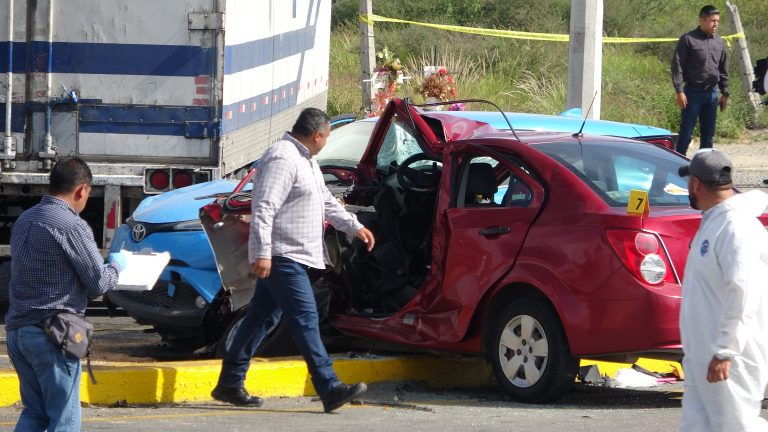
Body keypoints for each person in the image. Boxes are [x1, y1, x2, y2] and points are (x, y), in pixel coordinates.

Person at [211, 108, 376, 413]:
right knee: (305, 317)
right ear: (318, 135)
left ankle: (230, 383)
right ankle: (329, 386)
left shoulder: (306, 161)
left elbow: (326, 201)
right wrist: (261, 252)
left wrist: (355, 226)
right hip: (281, 254)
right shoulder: (282, 157)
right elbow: (264, 207)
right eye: (327, 136)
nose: (326, 141)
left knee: (263, 317)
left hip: (294, 255)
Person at [5, 157, 126, 431]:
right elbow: (98, 284)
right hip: (53, 335)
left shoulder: (25, 219)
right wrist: (118, 266)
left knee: (35, 413)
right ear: (81, 190)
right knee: (65, 420)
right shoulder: (72, 226)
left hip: (18, 333)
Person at [677, 149, 768, 431]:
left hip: (731, 359)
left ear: (696, 184)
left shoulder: (735, 227)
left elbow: (742, 291)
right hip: (702, 356)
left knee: (737, 426)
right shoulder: (714, 221)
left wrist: (725, 351)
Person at [671, 5, 729, 156]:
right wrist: (679, 91)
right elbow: (677, 66)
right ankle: (677, 167)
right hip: (692, 94)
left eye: (717, 21)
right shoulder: (688, 39)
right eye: (712, 20)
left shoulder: (719, 42)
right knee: (686, 133)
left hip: (712, 95)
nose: (715, 24)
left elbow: (723, 69)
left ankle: (704, 170)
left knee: (708, 135)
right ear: (702, 20)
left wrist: (725, 93)